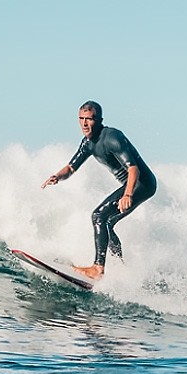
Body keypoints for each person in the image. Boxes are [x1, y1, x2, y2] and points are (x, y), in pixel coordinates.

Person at [41, 101, 157, 280]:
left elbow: (133, 168)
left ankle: (97, 268)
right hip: (131, 185)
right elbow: (71, 168)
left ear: (99, 120)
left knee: (98, 216)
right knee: (107, 223)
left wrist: (127, 194)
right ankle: (121, 268)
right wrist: (57, 176)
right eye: (81, 119)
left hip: (141, 183)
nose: (85, 123)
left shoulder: (112, 137)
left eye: (89, 119)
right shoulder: (88, 143)